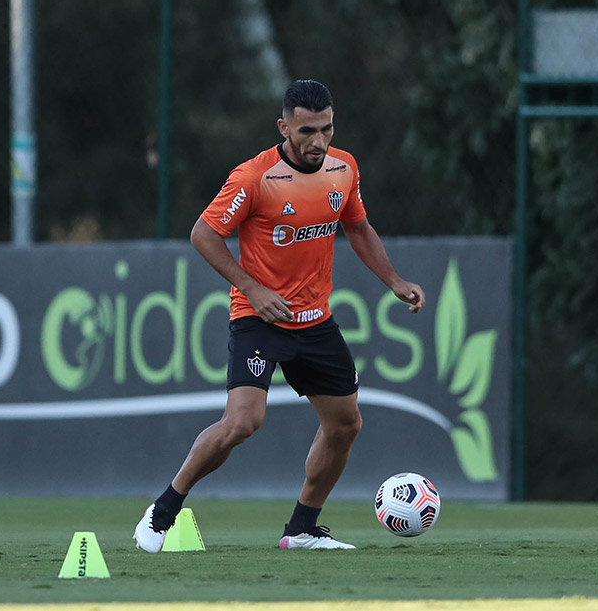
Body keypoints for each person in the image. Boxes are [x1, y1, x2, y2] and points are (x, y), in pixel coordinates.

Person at [133, 79, 425, 551]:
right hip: (258, 317)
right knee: (243, 422)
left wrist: (394, 281)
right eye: (307, 130)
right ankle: (163, 509)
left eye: (326, 129)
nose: (318, 141)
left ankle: (302, 529)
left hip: (315, 321)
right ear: (283, 126)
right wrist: (252, 287)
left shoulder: (342, 168)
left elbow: (359, 228)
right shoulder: (253, 177)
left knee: (346, 424)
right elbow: (203, 234)